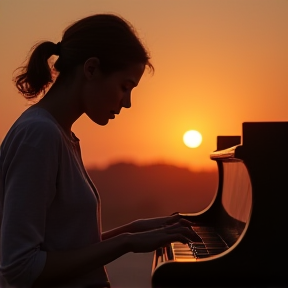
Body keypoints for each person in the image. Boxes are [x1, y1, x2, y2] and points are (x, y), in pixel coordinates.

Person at [0, 14, 197, 288]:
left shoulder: (60, 135)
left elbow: (63, 246)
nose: (127, 102)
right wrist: (126, 243)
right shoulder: (39, 136)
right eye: (124, 87)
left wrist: (132, 229)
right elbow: (21, 267)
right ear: (91, 69)